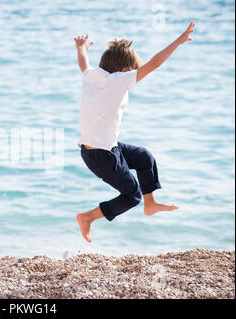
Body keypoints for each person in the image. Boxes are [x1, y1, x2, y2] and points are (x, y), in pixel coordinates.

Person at [75, 20, 195, 243]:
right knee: (132, 196)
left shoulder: (92, 76)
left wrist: (81, 47)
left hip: (103, 149)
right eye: (131, 72)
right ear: (123, 71)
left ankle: (151, 204)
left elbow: (83, 64)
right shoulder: (118, 80)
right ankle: (88, 217)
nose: (134, 77)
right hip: (102, 156)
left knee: (144, 157)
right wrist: (178, 41)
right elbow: (154, 64)